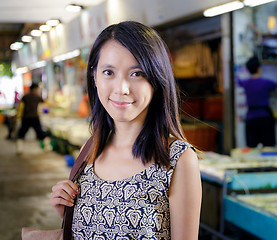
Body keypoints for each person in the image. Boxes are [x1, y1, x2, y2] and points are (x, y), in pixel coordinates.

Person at [49, 21, 202, 239]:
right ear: (94, 76)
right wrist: (67, 214)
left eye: (137, 73)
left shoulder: (178, 160)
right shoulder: (89, 150)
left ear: (156, 80)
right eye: (109, 72)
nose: (121, 89)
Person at [238, 56, 277, 148]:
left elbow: (237, 81)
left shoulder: (245, 83)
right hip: (265, 117)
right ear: (259, 69)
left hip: (250, 118)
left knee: (252, 148)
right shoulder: (265, 82)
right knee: (268, 147)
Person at [16, 83, 50, 154]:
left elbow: (19, 106)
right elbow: (45, 102)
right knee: (40, 132)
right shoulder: (37, 97)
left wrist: (17, 115)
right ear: (34, 89)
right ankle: (48, 147)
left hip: (25, 117)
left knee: (21, 133)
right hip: (34, 117)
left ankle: (19, 149)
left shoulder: (25, 96)